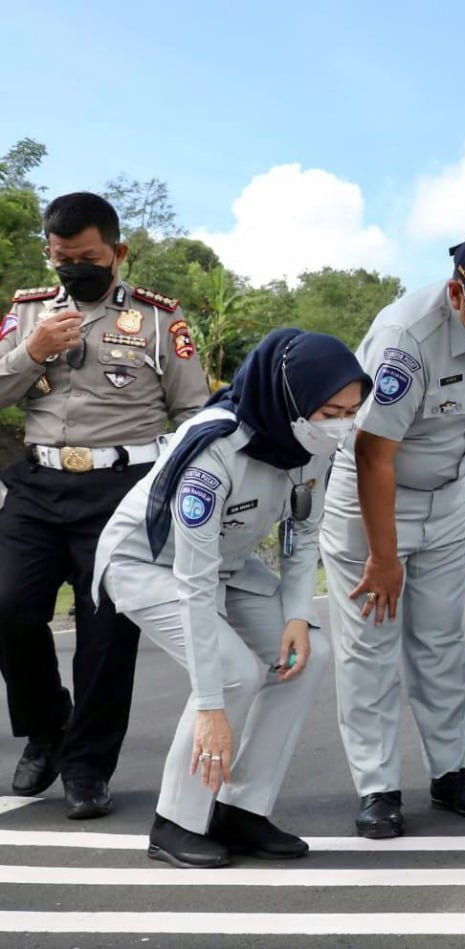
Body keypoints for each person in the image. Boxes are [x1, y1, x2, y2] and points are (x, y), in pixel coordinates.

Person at [93, 329, 369, 868]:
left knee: (307, 658)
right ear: (288, 400)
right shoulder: (212, 451)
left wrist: (296, 615)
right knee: (234, 673)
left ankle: (241, 811)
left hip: (230, 565)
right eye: (330, 411)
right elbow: (193, 585)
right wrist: (211, 709)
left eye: (352, 411)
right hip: (149, 563)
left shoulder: (311, 444)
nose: (342, 425)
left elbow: (303, 536)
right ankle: (176, 822)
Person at [320, 226, 465, 838]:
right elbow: (373, 453)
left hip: (447, 498)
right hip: (376, 498)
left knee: (440, 642)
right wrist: (383, 555)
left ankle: (450, 774)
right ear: (459, 294)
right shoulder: (406, 339)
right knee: (370, 646)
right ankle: (378, 787)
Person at [0, 192, 209, 819]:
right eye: (62, 259)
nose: (73, 270)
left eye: (87, 258)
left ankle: (88, 766)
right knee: (7, 606)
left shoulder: (158, 322)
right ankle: (48, 729)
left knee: (105, 634)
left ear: (117, 253)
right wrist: (31, 354)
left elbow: (196, 413)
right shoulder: (27, 314)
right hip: (38, 485)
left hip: (124, 489)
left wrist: (173, 492)